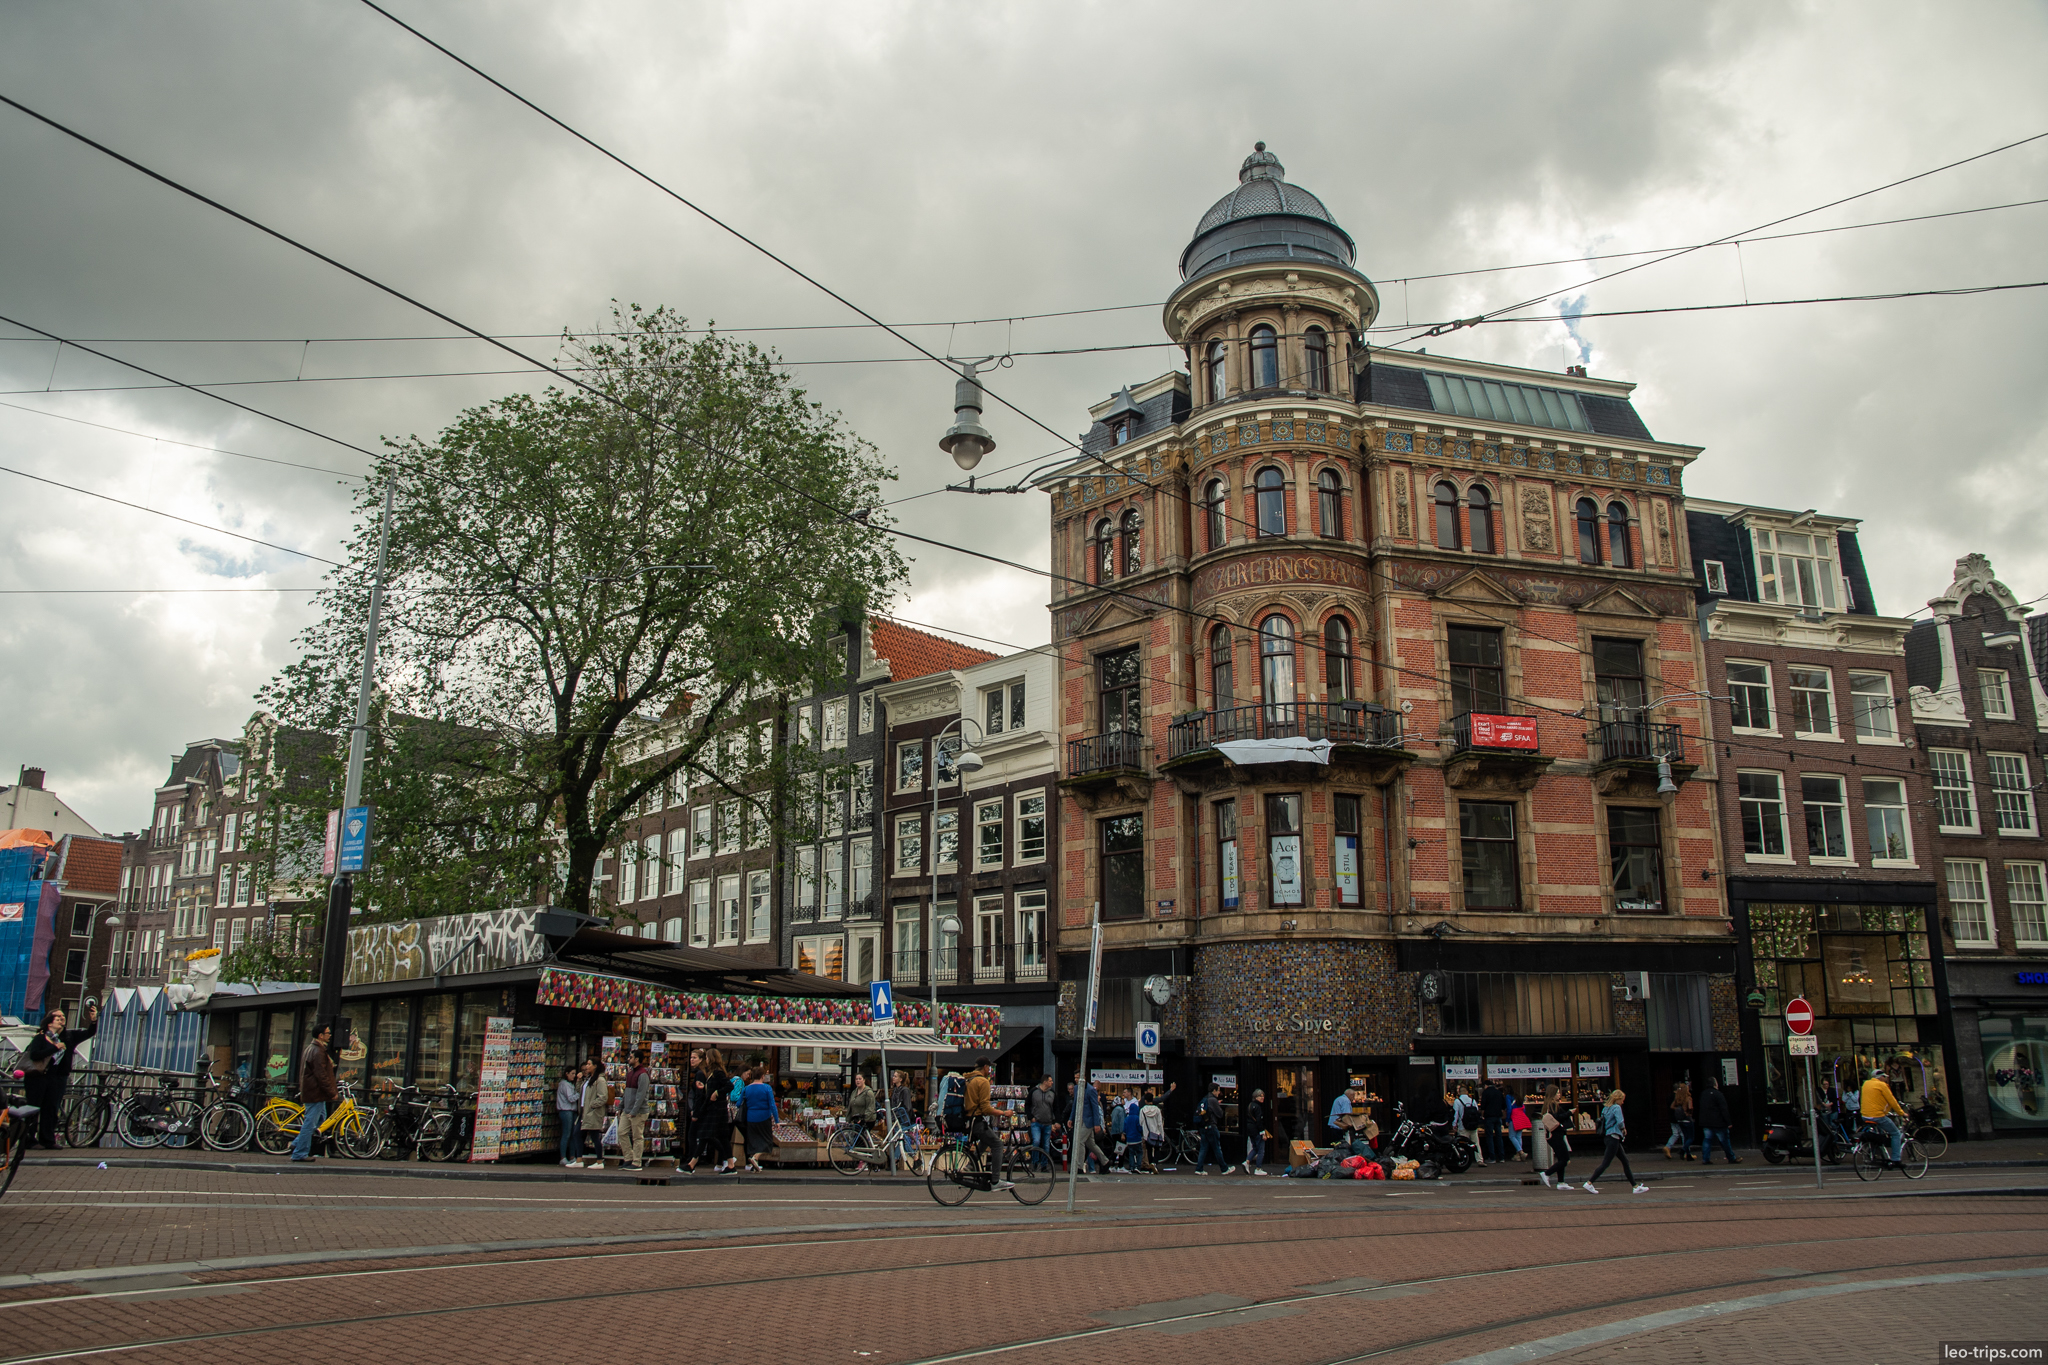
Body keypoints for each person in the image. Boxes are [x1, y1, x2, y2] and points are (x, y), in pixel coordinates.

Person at [22, 1000, 98, 1149]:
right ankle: (29, 1140)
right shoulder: (41, 1037)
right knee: (33, 1108)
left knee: (51, 1109)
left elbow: (89, 1033)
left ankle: (48, 1140)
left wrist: (94, 1020)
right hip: (38, 1077)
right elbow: (35, 1055)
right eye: (58, 1017)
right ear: (49, 1022)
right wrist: (54, 1048)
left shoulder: (68, 1036)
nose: (62, 1018)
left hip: (57, 1077)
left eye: (63, 1016)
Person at [1581, 1089, 1648, 1194]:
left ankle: (1635, 1186)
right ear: (1618, 1099)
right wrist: (1624, 1129)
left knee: (1625, 1161)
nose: (1623, 1102)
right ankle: (1589, 1182)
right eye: (1622, 1100)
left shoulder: (1606, 1108)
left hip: (1608, 1137)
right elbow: (1620, 1121)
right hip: (1614, 1137)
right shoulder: (1616, 1107)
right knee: (1606, 1163)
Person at [290, 1021, 336, 1163]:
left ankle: (297, 1143)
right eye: (328, 1033)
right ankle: (299, 1153)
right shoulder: (318, 1051)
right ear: (321, 1035)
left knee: (321, 1118)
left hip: (312, 1092)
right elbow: (321, 1074)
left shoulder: (312, 1048)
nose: (330, 1035)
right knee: (310, 1124)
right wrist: (331, 1092)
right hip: (315, 1093)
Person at [694, 1048, 733, 1174]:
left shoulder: (717, 1072)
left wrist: (717, 1093)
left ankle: (691, 1164)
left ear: (711, 1058)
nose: (705, 1060)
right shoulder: (712, 1073)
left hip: (716, 1110)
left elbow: (729, 1085)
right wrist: (704, 1087)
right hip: (714, 1109)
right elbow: (712, 1088)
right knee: (722, 1137)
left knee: (705, 1135)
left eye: (707, 1058)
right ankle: (731, 1164)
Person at [1860, 1067, 1908, 1165]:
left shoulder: (1865, 1084)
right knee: (1895, 1133)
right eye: (1884, 1076)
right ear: (1880, 1077)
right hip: (1877, 1115)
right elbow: (1892, 1101)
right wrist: (1902, 1113)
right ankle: (1896, 1159)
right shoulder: (1882, 1085)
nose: (1886, 1078)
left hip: (1865, 1115)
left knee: (1880, 1134)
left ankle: (1877, 1152)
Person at [615, 1047, 652, 1170]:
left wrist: (634, 1110)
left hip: (638, 1112)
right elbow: (627, 1092)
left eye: (631, 1057)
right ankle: (629, 1158)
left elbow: (641, 1095)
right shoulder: (630, 1073)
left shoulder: (642, 1075)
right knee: (621, 1133)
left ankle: (636, 1162)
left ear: (637, 1059)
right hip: (627, 1110)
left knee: (637, 1136)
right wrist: (621, 1106)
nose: (628, 1059)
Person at [740, 1065, 779, 1172]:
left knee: (752, 1141)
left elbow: (739, 1103)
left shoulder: (746, 1088)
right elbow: (772, 1105)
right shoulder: (767, 1088)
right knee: (767, 1141)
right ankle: (755, 1157)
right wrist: (777, 1120)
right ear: (763, 1076)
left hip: (750, 1118)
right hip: (764, 1117)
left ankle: (753, 1164)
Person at [1696, 1074, 1740, 1164]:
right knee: (1724, 1141)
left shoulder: (1703, 1094)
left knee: (1707, 1140)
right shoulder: (1718, 1094)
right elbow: (1724, 1109)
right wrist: (1728, 1122)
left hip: (1706, 1122)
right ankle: (1731, 1158)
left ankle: (1705, 1159)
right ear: (1715, 1084)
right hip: (1718, 1122)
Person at [1539, 1085, 1574, 1192]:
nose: (1559, 1095)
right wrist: (1570, 1113)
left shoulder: (1549, 1105)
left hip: (1555, 1135)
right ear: (1553, 1094)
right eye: (1558, 1093)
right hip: (1556, 1135)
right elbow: (1558, 1117)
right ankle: (1546, 1173)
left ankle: (1561, 1182)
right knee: (1565, 1159)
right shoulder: (1552, 1105)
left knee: (1561, 1158)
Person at [1073, 1076, 1109, 1174]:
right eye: (1075, 1077)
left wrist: (1096, 1123)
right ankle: (1105, 1162)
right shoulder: (1076, 1089)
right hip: (1080, 1120)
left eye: (1077, 1077)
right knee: (1091, 1144)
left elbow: (1095, 1107)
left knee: (1080, 1141)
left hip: (1088, 1121)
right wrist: (1071, 1118)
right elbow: (1075, 1104)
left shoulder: (1090, 1090)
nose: (1076, 1079)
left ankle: (1079, 1166)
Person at [1192, 1084, 1228, 1175]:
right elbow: (1220, 1114)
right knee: (1217, 1148)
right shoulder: (1213, 1100)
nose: (1219, 1092)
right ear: (1214, 1091)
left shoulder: (1204, 1099)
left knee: (1203, 1148)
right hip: (1211, 1127)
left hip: (1203, 1127)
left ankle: (1199, 1169)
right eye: (1218, 1090)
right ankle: (1224, 1168)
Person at [555, 1064, 582, 1166]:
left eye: (575, 1073)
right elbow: (570, 1098)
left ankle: (572, 1156)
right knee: (567, 1134)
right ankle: (563, 1157)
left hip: (571, 1111)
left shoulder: (569, 1084)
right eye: (572, 1074)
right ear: (566, 1074)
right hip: (566, 1110)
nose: (574, 1076)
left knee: (572, 1134)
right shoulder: (565, 1085)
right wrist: (580, 1093)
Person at [1451, 1085, 1484, 1165]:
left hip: (1463, 1126)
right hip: (1473, 1126)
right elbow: (1477, 1112)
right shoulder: (1473, 1101)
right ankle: (1480, 1160)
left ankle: (1465, 1159)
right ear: (1467, 1092)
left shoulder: (1457, 1101)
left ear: (1459, 1093)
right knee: (1476, 1143)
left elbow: (1456, 1114)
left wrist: (1454, 1125)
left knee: (1463, 1144)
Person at [1242, 1088, 1270, 1174]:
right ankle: (1258, 1168)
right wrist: (1263, 1133)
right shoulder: (1258, 1107)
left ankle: (1247, 1162)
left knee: (1255, 1148)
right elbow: (1259, 1121)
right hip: (1257, 1130)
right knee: (1261, 1149)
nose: (1262, 1098)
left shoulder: (1250, 1105)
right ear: (1255, 1097)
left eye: (1263, 1096)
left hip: (1250, 1130)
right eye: (1260, 1096)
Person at [1479, 1080, 1508, 1164]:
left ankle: (1492, 1157)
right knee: (1499, 1136)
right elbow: (1504, 1105)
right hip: (1498, 1116)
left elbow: (1483, 1106)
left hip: (1489, 1117)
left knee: (1490, 1137)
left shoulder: (1485, 1093)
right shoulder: (1498, 1092)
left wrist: (1483, 1114)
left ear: (1486, 1086)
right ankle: (1501, 1157)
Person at [1027, 1075, 1056, 1157]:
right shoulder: (1034, 1091)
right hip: (1036, 1122)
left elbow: (1055, 1107)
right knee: (1036, 1141)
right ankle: (1035, 1162)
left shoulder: (1052, 1093)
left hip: (1048, 1122)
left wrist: (1055, 1121)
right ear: (1045, 1082)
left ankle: (1045, 1165)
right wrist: (1031, 1117)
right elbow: (1027, 1104)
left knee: (1046, 1145)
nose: (1052, 1082)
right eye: (1050, 1081)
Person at [1664, 1081, 1694, 1160]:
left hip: (1673, 1119)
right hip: (1683, 1119)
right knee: (1685, 1136)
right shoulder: (1684, 1097)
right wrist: (1687, 1113)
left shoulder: (1670, 1097)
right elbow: (1690, 1108)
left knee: (1675, 1134)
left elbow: (1671, 1106)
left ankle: (1668, 1147)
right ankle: (1686, 1152)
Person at [1140, 1089, 1166, 1170]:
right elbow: (1159, 1123)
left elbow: (1141, 1122)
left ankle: (1151, 1164)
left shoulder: (1142, 1110)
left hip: (1147, 1134)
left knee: (1149, 1150)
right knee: (1157, 1149)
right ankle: (1154, 1163)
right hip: (1157, 1132)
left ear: (1146, 1100)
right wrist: (1162, 1134)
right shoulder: (1157, 1110)